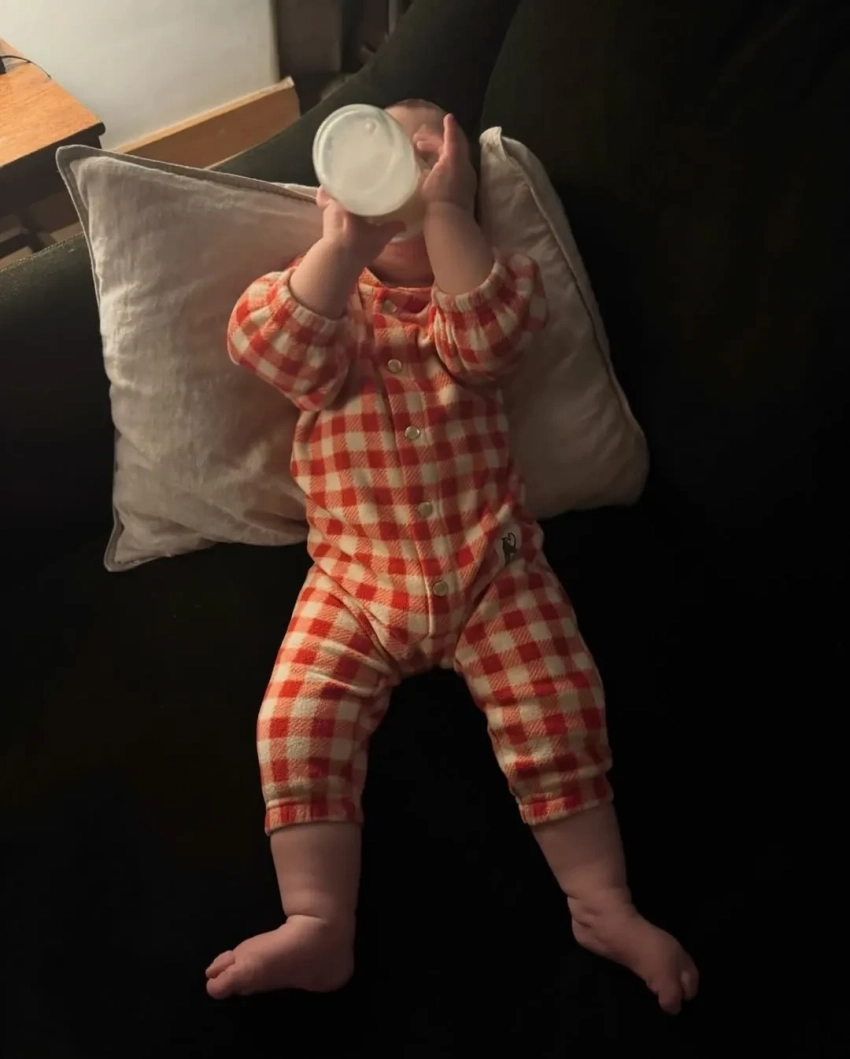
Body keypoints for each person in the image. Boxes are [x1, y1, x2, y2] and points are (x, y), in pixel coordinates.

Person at [206, 100, 698, 1013]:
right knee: (295, 723)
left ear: (466, 190)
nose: (405, 169)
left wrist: (442, 217)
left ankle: (602, 902)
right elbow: (273, 353)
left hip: (491, 566)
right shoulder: (326, 305)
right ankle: (317, 919)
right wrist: (343, 247)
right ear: (331, 192)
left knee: (559, 703)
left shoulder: (483, 290)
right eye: (385, 154)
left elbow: (492, 340)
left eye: (429, 155)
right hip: (352, 578)